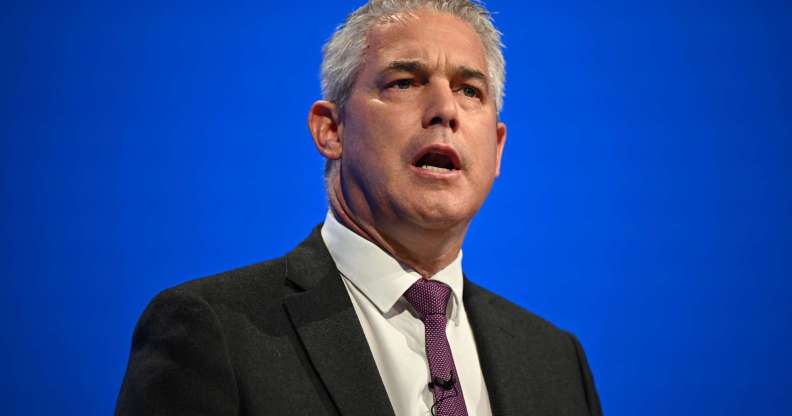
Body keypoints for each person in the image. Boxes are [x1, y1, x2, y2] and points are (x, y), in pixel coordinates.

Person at [116, 1, 602, 415]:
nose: (444, 109)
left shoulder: (556, 363)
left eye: (469, 90)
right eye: (405, 82)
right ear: (332, 130)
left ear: (497, 150)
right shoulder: (212, 331)